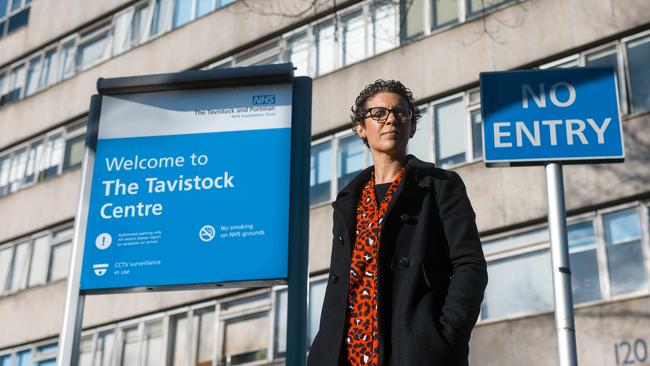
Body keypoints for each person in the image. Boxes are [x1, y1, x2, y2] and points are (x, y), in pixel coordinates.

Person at [307, 80, 488, 366]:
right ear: (360, 128)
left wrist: (443, 339)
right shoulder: (348, 200)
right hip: (346, 353)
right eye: (378, 113)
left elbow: (470, 266)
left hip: (413, 350)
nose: (391, 119)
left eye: (401, 113)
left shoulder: (440, 186)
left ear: (412, 127)